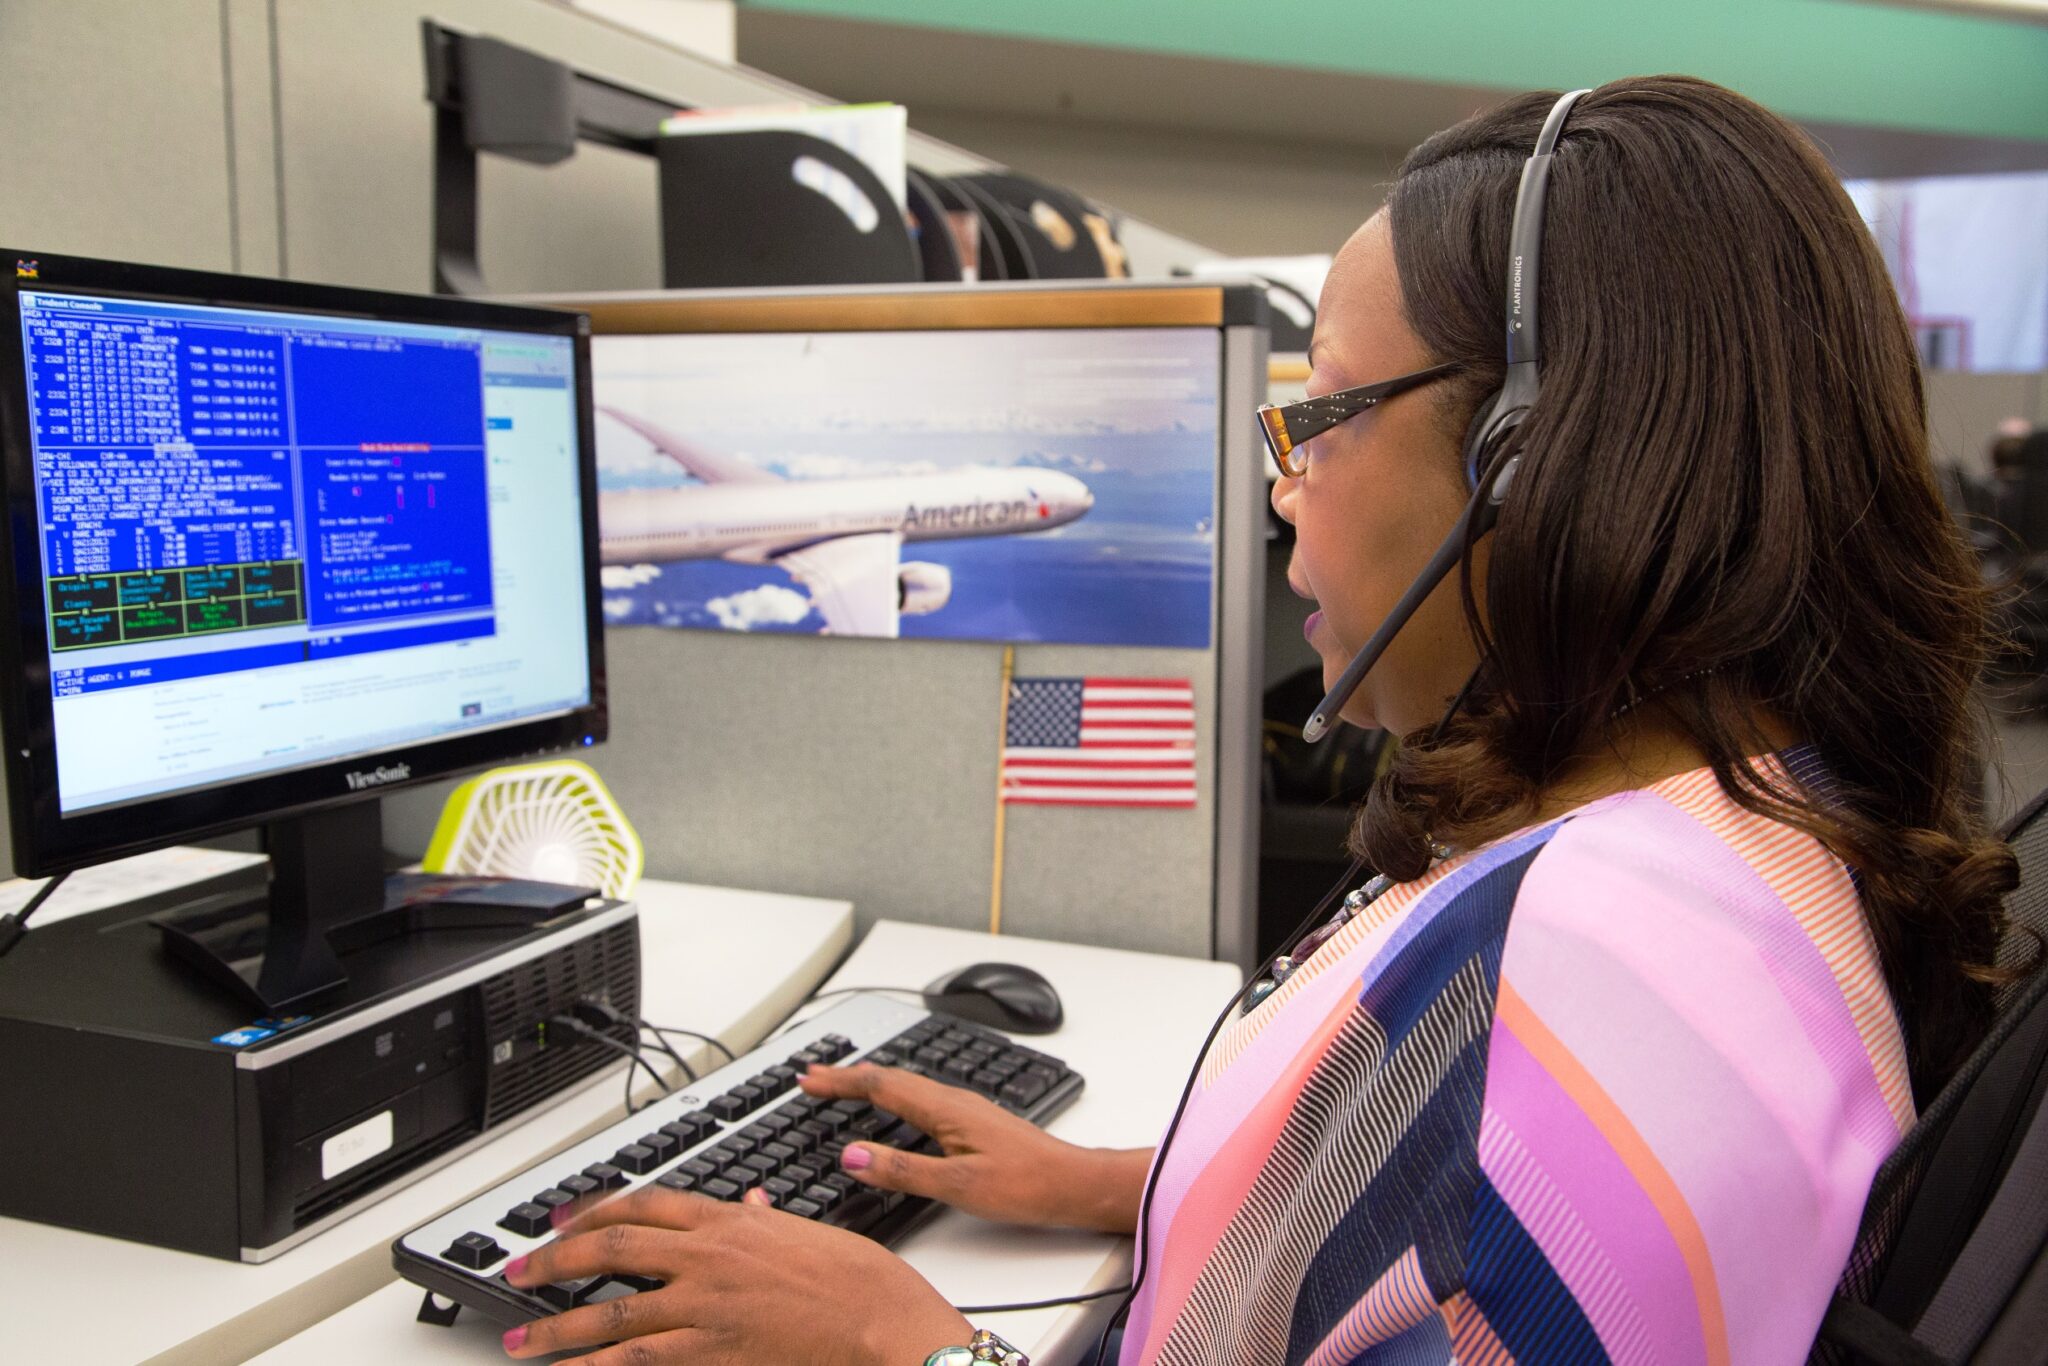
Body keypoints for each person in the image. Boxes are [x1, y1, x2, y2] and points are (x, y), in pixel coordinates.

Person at [490, 74, 2019, 1366]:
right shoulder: (1759, 822)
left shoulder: (1549, 1001)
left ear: (1531, 459)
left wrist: (917, 1343)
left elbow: (1495, 1184)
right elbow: (1445, 1224)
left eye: (1324, 415)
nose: (1282, 486)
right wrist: (1141, 1184)